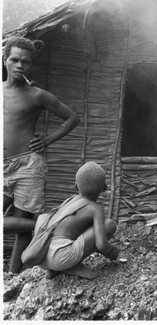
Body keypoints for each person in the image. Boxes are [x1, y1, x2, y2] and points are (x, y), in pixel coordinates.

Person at [3, 36, 80, 273]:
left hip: (28, 165)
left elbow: (72, 118)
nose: (19, 65)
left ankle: (13, 278)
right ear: (5, 61)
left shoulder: (37, 95)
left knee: (21, 228)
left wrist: (47, 140)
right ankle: (47, 223)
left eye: (25, 62)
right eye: (14, 60)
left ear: (31, 66)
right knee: (23, 224)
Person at [38, 161, 120, 279]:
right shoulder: (95, 209)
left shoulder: (68, 201)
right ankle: (70, 266)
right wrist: (113, 251)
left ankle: (53, 269)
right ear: (104, 188)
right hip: (61, 257)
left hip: (41, 255)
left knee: (45, 217)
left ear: (75, 186)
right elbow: (101, 245)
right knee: (108, 225)